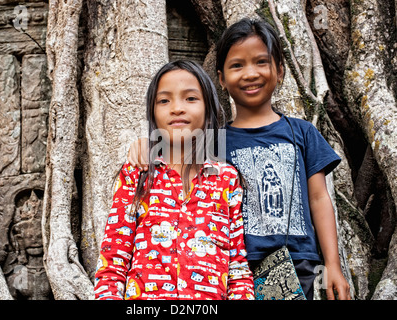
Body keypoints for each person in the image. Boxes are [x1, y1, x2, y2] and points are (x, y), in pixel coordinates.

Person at [128, 19, 351, 300]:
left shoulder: (303, 132)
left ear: (280, 71)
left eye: (261, 62)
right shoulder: (213, 141)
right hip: (235, 269)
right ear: (220, 78)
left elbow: (319, 198)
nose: (250, 73)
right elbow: (172, 159)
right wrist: (144, 146)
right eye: (237, 65)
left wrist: (332, 264)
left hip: (300, 264)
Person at [94, 60, 254, 300]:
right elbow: (112, 264)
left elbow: (237, 270)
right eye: (164, 100)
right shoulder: (137, 174)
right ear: (152, 112)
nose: (177, 108)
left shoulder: (226, 179)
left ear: (208, 107)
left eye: (190, 98)